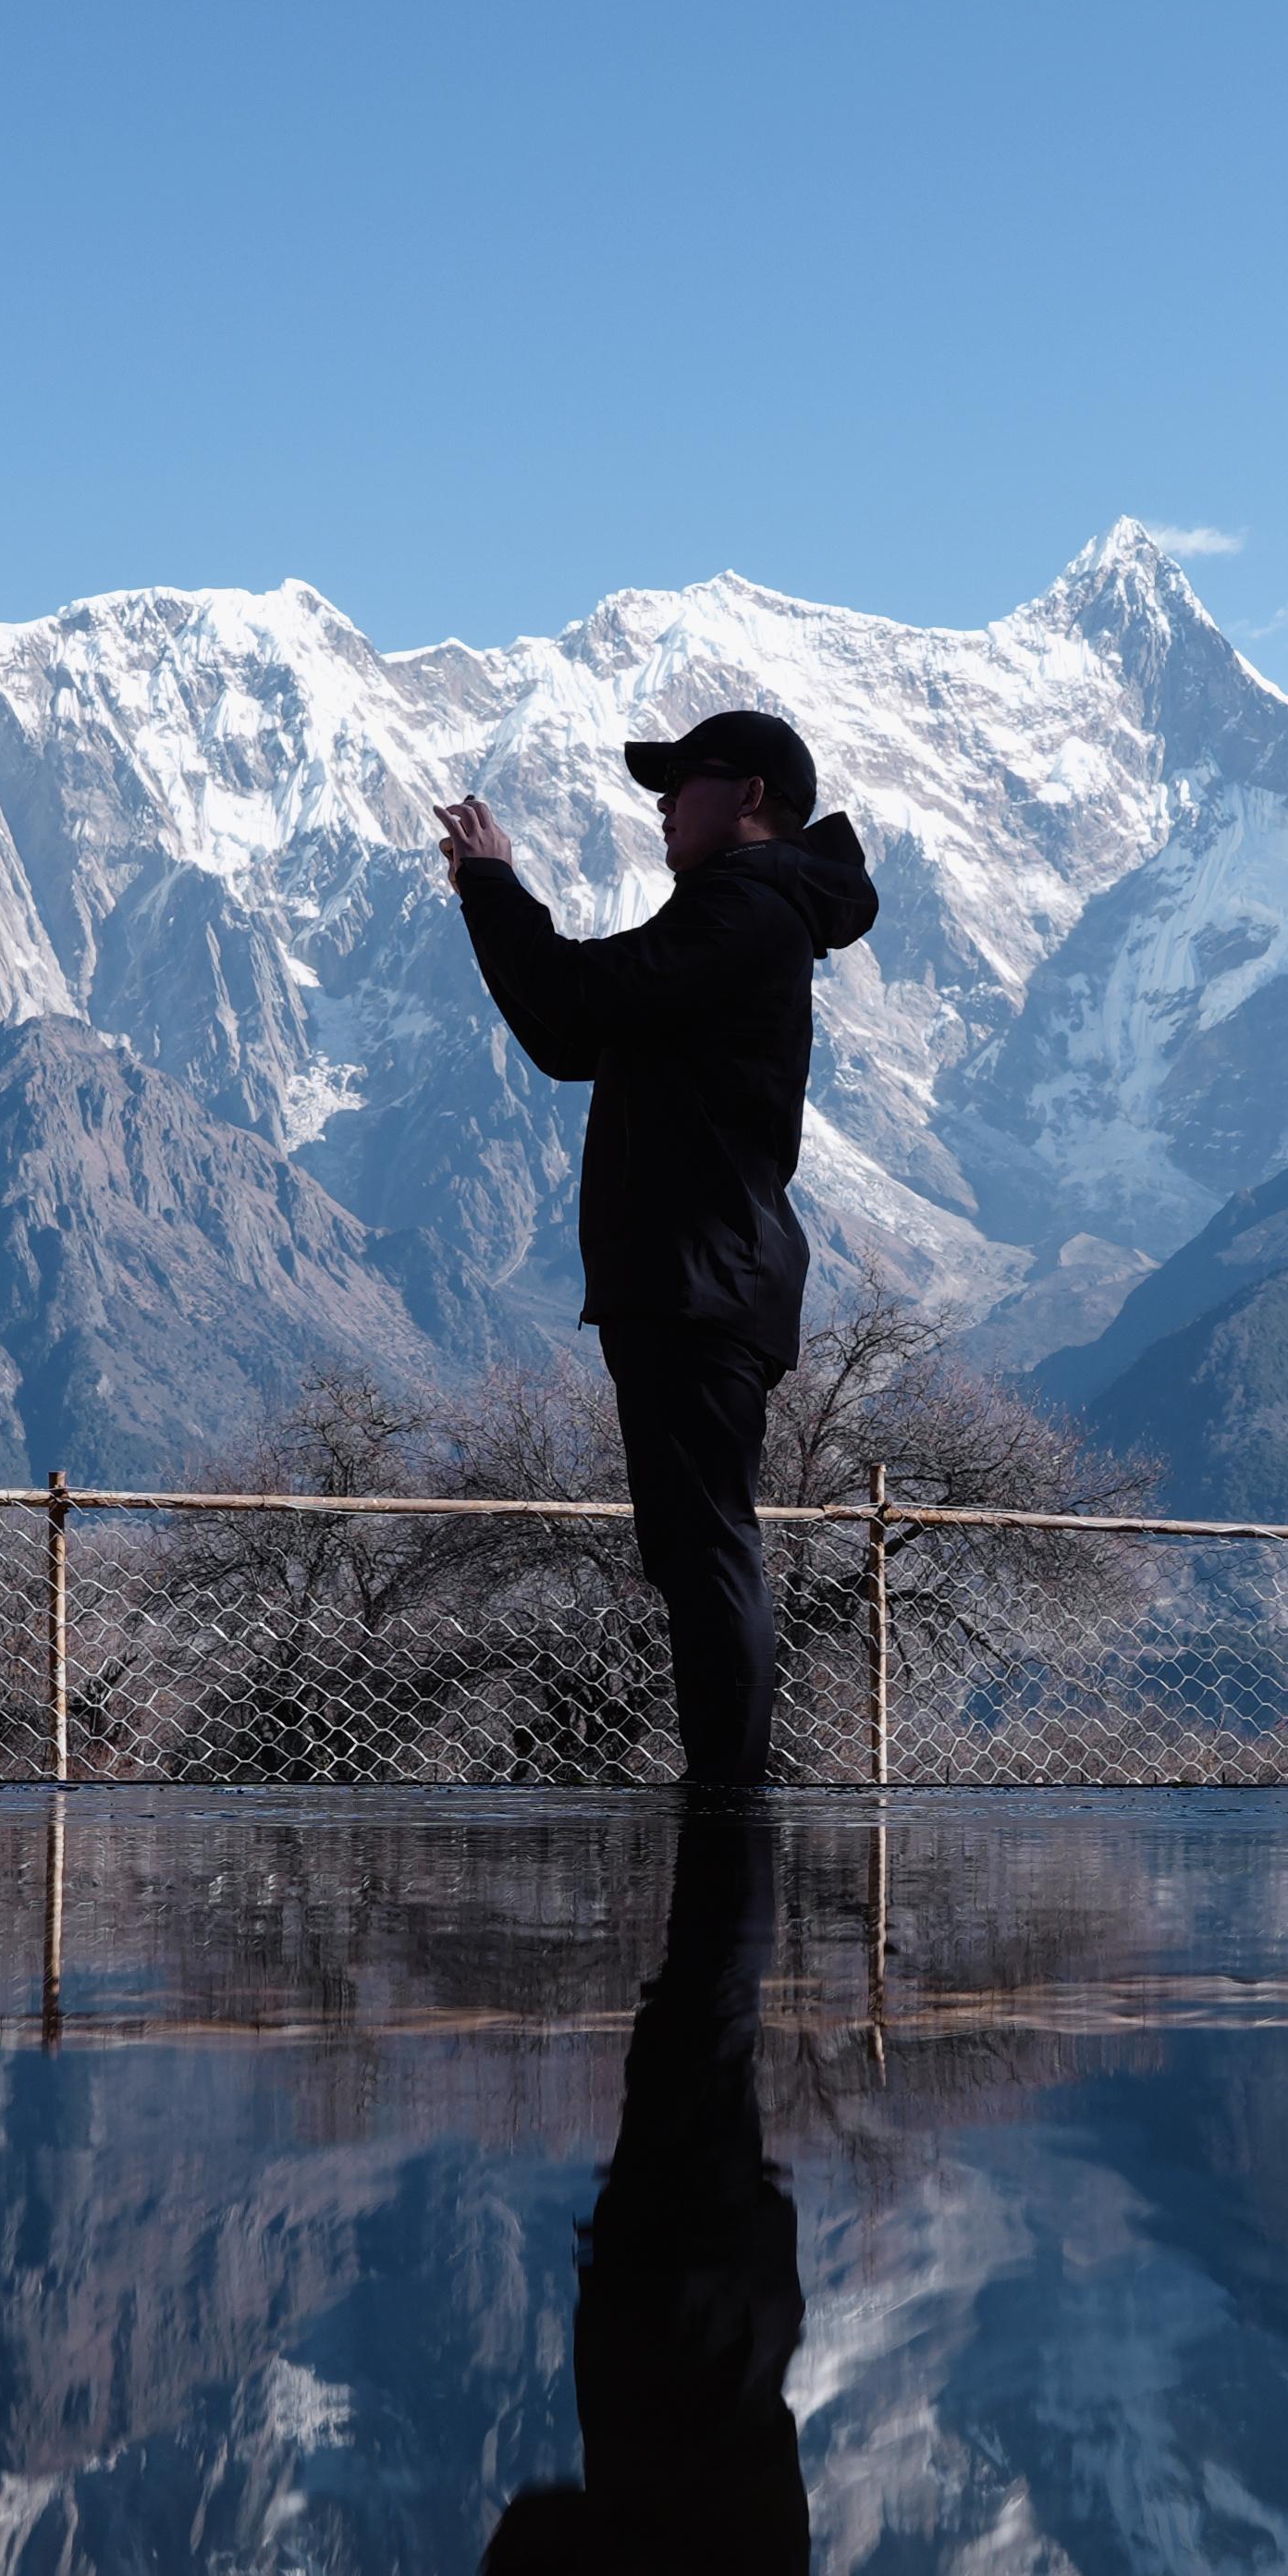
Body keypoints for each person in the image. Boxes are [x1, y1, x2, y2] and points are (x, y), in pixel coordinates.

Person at [421, 1802, 878, 2576]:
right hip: (690, 2265)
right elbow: (543, 2541)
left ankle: (731, 1808)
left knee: (702, 2008)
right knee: (705, 1999)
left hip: (721, 2273)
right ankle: (735, 1804)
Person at [433, 710, 879, 1796]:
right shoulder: (742, 913)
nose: (664, 801)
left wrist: (493, 884)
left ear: (752, 796)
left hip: (699, 1277)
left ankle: (728, 1803)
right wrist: (488, 900)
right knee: (691, 1548)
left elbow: (578, 993)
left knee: (708, 1546)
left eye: (686, 779)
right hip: (693, 1276)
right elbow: (568, 1036)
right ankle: (723, 1790)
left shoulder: (744, 910)